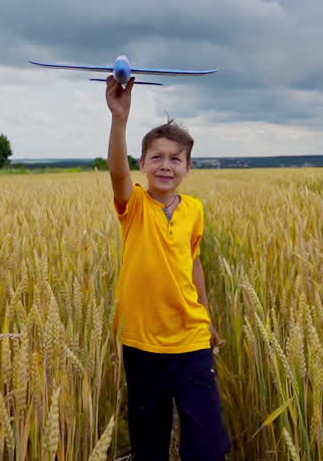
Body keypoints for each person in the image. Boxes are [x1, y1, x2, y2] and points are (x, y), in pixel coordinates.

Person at [105, 74, 230, 460]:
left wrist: (206, 317)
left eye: (175, 159)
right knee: (150, 444)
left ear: (188, 168)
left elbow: (193, 262)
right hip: (143, 343)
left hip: (190, 339)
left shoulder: (194, 209)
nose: (165, 165)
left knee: (207, 445)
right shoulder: (136, 205)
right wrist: (119, 119)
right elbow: (117, 173)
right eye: (156, 157)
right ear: (142, 163)